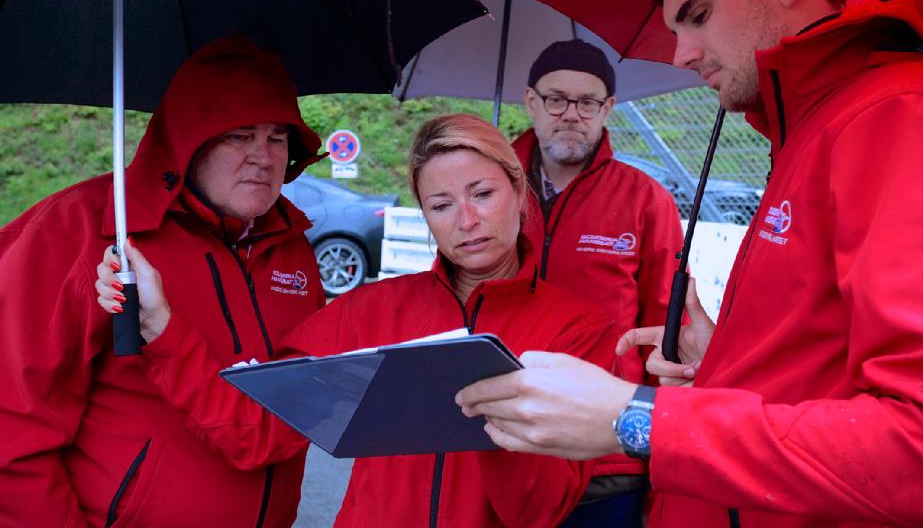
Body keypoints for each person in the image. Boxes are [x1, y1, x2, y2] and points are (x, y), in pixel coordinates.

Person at [455, 0, 923, 527]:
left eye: (697, 14)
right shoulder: (809, 131)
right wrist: (730, 358)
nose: (681, 54)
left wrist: (638, 420)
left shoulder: (909, 119)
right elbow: (825, 372)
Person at [95, 113, 617, 527]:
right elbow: (257, 431)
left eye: (482, 194)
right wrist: (162, 329)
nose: (466, 220)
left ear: (518, 194)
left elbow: (539, 512)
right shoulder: (371, 311)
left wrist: (492, 411)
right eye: (440, 204)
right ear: (426, 216)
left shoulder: (579, 331)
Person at [0, 36, 326, 526]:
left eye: (277, 137)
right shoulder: (81, 230)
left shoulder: (291, 246)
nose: (263, 156)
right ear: (189, 139)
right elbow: (12, 433)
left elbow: (296, 413)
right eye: (239, 134)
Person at [512, 38, 685, 524]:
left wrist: (659, 450)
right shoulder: (488, 191)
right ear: (531, 101)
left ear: (607, 108)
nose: (571, 113)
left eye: (587, 101)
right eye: (556, 98)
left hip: (607, 461)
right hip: (504, 446)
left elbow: (667, 338)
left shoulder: (645, 201)